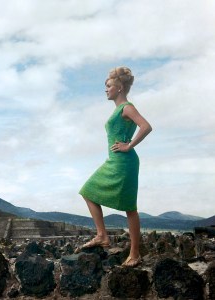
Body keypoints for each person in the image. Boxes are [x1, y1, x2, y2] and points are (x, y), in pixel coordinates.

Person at [78, 66, 152, 268]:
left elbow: (146, 126)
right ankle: (102, 235)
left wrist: (129, 145)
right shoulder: (118, 110)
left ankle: (135, 254)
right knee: (88, 191)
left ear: (119, 88)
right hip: (115, 161)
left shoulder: (127, 107)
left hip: (125, 162)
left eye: (109, 86)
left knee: (130, 208)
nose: (106, 89)